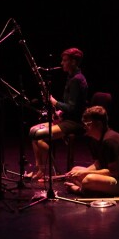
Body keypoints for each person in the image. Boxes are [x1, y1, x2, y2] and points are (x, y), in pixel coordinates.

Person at [27, 47, 88, 181]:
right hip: (67, 118)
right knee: (33, 131)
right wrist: (61, 111)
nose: (61, 63)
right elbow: (72, 105)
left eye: (65, 60)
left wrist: (54, 102)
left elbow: (72, 108)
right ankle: (40, 170)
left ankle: (49, 171)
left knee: (39, 136)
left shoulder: (77, 80)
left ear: (73, 62)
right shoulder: (72, 77)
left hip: (75, 123)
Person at [64, 105, 119, 197]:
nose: (85, 127)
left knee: (88, 179)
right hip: (111, 178)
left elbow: (113, 173)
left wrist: (85, 173)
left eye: (88, 124)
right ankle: (87, 188)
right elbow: (98, 164)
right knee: (75, 170)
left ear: (99, 124)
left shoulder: (110, 141)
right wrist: (80, 173)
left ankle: (80, 190)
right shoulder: (95, 140)